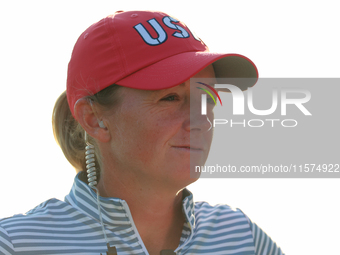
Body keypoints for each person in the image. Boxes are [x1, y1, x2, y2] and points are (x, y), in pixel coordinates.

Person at [0, 10, 284, 255]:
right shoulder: (15, 245)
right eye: (171, 98)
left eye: (206, 98)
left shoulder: (242, 238)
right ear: (94, 119)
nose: (200, 120)